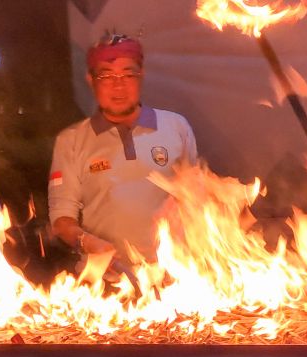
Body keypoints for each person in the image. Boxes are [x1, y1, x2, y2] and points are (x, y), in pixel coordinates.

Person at [48, 33, 197, 263]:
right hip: (108, 281)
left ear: (141, 75)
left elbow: (195, 197)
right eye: (107, 75)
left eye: (128, 74)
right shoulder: (71, 140)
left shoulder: (176, 126)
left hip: (174, 274)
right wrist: (87, 243)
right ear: (91, 79)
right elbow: (62, 218)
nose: (118, 85)